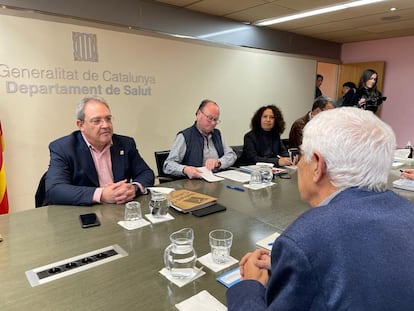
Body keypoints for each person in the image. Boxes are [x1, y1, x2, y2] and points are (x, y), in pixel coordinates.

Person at [227, 107, 414, 310]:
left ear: (317, 164)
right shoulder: (407, 212)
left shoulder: (303, 239)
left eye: (301, 154)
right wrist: (293, 267)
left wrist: (250, 285)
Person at [46, 96, 155, 206]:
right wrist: (101, 195)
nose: (106, 125)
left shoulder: (125, 144)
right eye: (97, 121)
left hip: (121, 210)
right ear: (81, 125)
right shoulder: (64, 148)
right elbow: (55, 189)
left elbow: (146, 173)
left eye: (108, 119)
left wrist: (134, 188)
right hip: (85, 213)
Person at [163, 99, 236, 179]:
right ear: (198, 114)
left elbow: (231, 155)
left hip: (217, 181)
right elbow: (168, 165)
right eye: (210, 118)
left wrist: (219, 162)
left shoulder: (217, 134)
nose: (213, 123)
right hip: (194, 184)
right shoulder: (185, 136)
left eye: (215, 120)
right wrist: (185, 169)